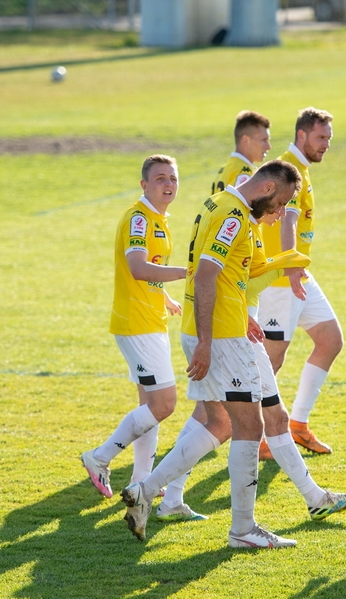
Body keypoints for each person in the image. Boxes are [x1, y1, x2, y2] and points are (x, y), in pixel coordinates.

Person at [120, 160, 303, 549]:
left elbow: (229, 274)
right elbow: (204, 274)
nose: (277, 213)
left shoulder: (216, 202)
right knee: (250, 427)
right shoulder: (233, 215)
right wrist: (206, 341)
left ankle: (145, 490)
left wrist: (276, 268)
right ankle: (243, 530)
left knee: (219, 423)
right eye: (279, 204)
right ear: (268, 187)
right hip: (219, 335)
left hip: (219, 328)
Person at [81, 155, 187, 499]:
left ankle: (141, 480)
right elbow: (139, 268)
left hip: (150, 318)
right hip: (137, 323)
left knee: (149, 403)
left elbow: (152, 271)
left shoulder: (159, 218)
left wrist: (165, 295)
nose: (168, 184)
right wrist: (188, 273)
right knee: (164, 403)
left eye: (172, 178)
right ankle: (99, 457)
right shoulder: (139, 218)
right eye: (159, 178)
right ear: (144, 184)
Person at [259, 107, 341, 455]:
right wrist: (292, 267)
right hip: (282, 280)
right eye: (321, 138)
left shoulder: (302, 170)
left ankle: (298, 425)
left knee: (330, 340)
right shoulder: (289, 171)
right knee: (270, 361)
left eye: (328, 139)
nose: (325, 145)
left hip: (297, 274)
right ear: (302, 135)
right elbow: (287, 223)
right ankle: (260, 435)